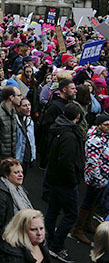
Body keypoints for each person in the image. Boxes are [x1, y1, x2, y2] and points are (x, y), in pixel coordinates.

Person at [45, 102, 84, 263]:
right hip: (65, 182)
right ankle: (56, 246)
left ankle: (48, 239)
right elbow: (66, 162)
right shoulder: (69, 135)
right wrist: (73, 180)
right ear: (79, 117)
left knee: (53, 211)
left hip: (54, 179)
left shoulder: (58, 128)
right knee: (71, 214)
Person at [71, 113, 109, 245]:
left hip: (104, 177)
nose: (108, 127)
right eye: (106, 125)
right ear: (99, 126)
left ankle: (87, 223)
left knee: (95, 202)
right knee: (88, 202)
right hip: (95, 178)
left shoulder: (105, 138)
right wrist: (98, 179)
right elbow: (93, 162)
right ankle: (78, 229)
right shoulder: (94, 140)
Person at [15, 97, 36, 172]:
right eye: (24, 105)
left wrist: (33, 156)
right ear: (18, 108)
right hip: (17, 157)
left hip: (27, 156)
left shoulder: (30, 121)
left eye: (29, 105)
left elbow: (32, 140)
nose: (28, 107)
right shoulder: (14, 121)